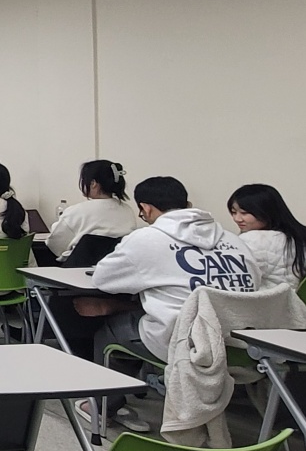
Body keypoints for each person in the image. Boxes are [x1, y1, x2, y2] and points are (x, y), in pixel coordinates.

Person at [87, 176, 258, 431]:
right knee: (145, 317)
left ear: (146, 209)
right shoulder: (234, 240)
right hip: (241, 346)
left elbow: (103, 280)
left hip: (185, 344)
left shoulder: (147, 238)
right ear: (186, 204)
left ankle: (103, 407)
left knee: (112, 330)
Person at [45, 160, 141, 262]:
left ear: (93, 183)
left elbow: (55, 244)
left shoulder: (76, 211)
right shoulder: (127, 210)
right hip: (118, 265)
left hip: (78, 267)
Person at [228, 184, 306, 291]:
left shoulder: (253, 240)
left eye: (244, 213)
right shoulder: (298, 237)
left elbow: (232, 279)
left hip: (263, 300)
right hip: (291, 299)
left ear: (266, 211)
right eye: (233, 212)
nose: (237, 218)